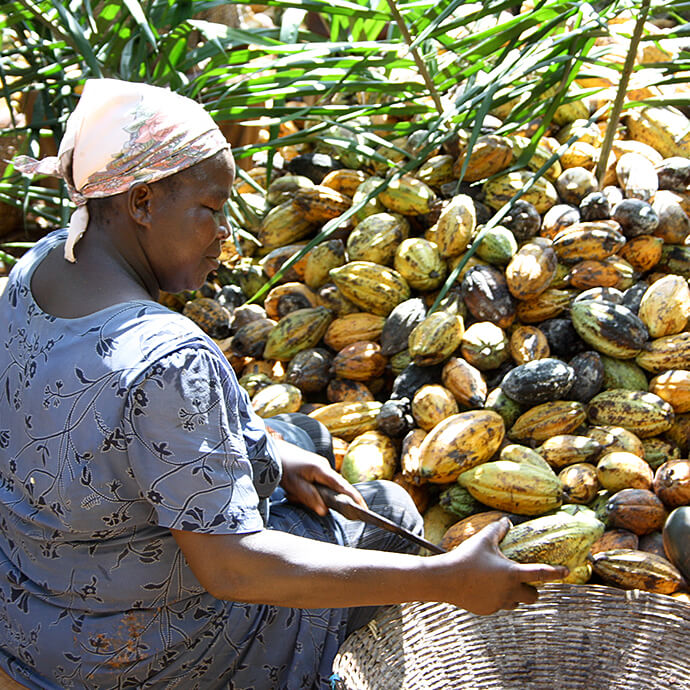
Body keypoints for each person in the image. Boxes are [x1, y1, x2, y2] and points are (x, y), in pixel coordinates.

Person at [0, 78, 567, 690]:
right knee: (387, 510)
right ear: (140, 202)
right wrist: (448, 580)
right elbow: (236, 572)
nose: (228, 236)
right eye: (211, 211)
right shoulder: (171, 360)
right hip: (143, 659)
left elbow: (107, 429)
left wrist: (276, 453)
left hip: (36, 611)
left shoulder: (41, 265)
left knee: (301, 437)